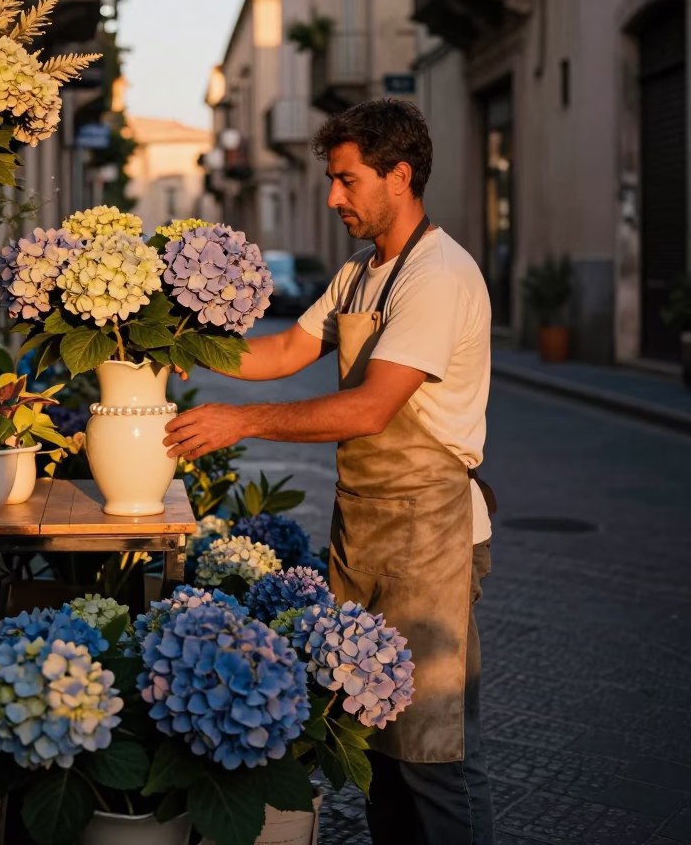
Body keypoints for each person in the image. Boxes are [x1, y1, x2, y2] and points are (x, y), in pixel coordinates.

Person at [163, 98, 496, 845]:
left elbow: (370, 409)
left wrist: (239, 420)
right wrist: (178, 345)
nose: (333, 196)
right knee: (374, 739)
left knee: (432, 751)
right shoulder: (359, 273)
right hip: (369, 530)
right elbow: (283, 353)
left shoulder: (436, 276)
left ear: (399, 175)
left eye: (346, 180)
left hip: (432, 539)